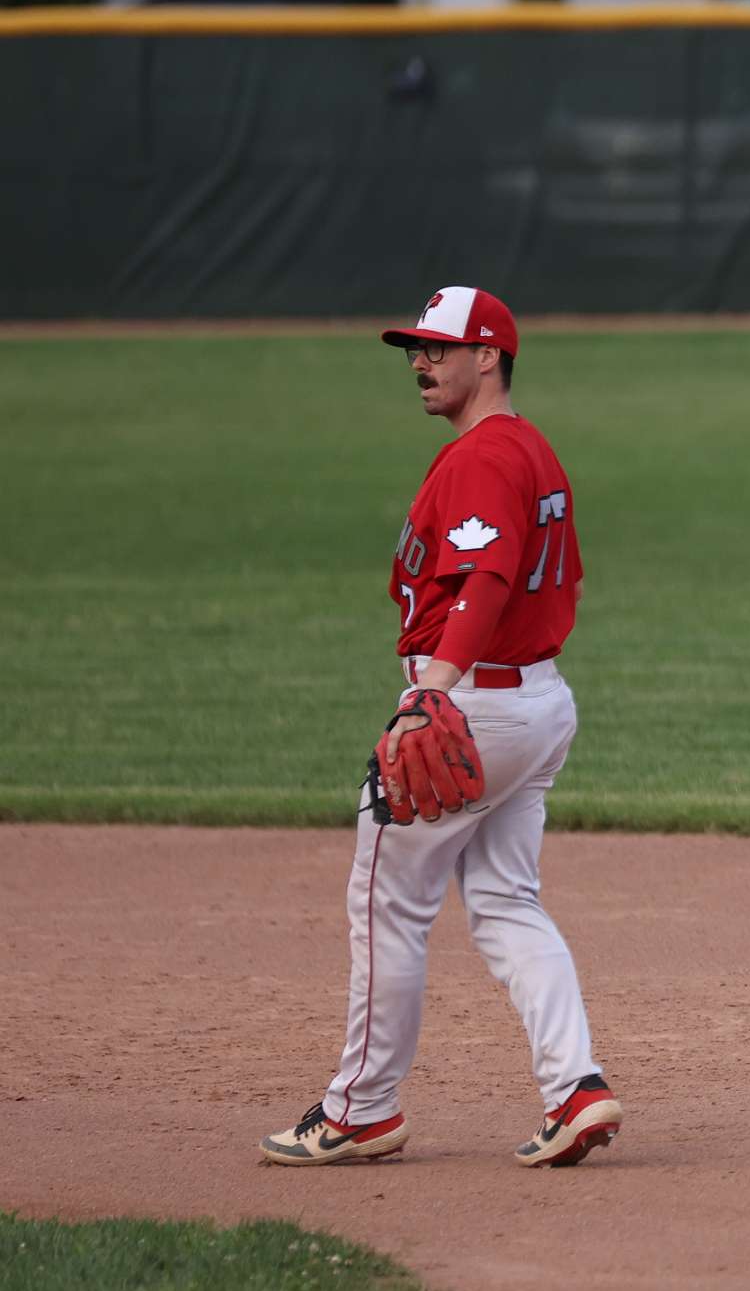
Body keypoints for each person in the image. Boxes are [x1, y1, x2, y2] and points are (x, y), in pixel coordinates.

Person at [260, 286, 624, 1166]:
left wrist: (434, 690)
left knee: (386, 904)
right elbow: (565, 581)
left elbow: (485, 579)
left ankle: (361, 1108)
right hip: (534, 703)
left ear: (488, 355)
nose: (420, 363)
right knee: (504, 901)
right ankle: (575, 1088)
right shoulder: (530, 448)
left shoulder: (484, 457)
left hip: (471, 707)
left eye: (438, 349)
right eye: (414, 350)